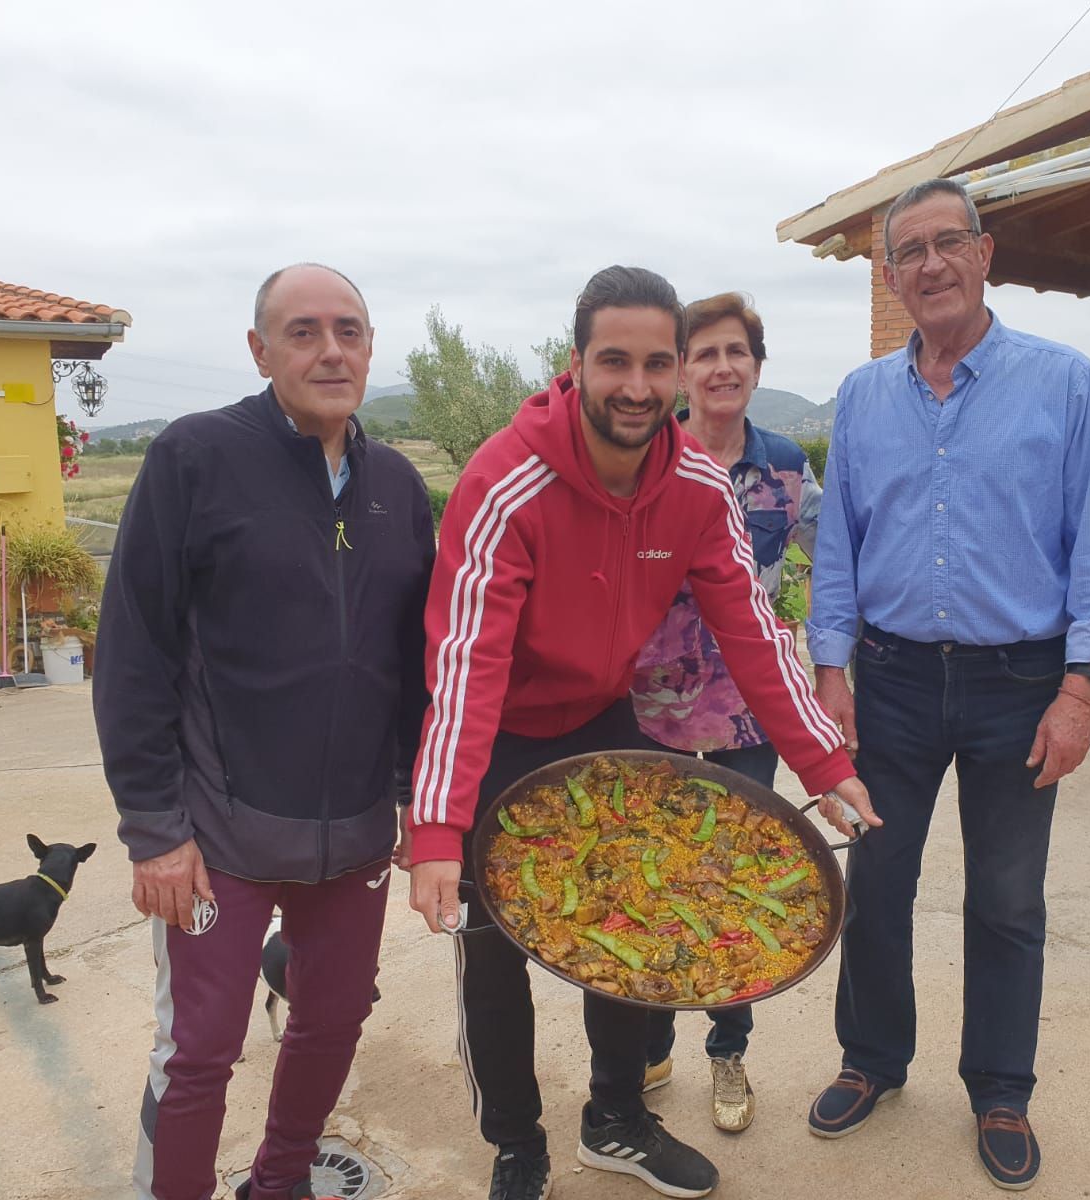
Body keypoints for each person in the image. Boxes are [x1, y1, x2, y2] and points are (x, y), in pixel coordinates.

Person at [406, 266, 878, 1200]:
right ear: (576, 364)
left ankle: (616, 1120)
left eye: (655, 363)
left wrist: (825, 763)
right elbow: (464, 665)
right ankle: (516, 1143)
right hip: (496, 734)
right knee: (497, 949)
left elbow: (754, 627)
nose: (636, 384)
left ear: (674, 375)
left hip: (602, 721)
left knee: (636, 909)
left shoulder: (700, 486)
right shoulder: (507, 481)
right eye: (613, 360)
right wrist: (433, 830)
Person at [804, 179, 1090, 1191]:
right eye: (910, 251)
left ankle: (999, 1087)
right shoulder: (862, 397)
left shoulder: (1065, 384)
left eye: (948, 242)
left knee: (1004, 899)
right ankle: (872, 1061)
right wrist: (831, 668)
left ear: (985, 254)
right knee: (877, 885)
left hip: (1019, 683)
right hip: (893, 680)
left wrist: (1079, 688)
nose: (931, 264)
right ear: (892, 275)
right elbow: (838, 549)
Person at [94, 263, 436, 1200]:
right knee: (200, 1051)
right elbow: (132, 652)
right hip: (218, 831)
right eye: (304, 331)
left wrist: (417, 794)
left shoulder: (398, 486)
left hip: (356, 827)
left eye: (350, 330)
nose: (332, 349)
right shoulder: (195, 458)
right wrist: (154, 830)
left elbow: (416, 663)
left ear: (370, 348)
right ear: (260, 350)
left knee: (333, 1022)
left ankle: (279, 1182)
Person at [630, 291, 821, 1132]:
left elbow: (838, 555)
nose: (721, 367)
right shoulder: (644, 460)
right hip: (647, 712)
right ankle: (646, 1038)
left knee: (734, 881)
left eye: (736, 352)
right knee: (653, 878)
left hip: (749, 719)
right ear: (679, 371)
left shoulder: (784, 465)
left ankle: (727, 1051)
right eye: (703, 353)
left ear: (756, 365)